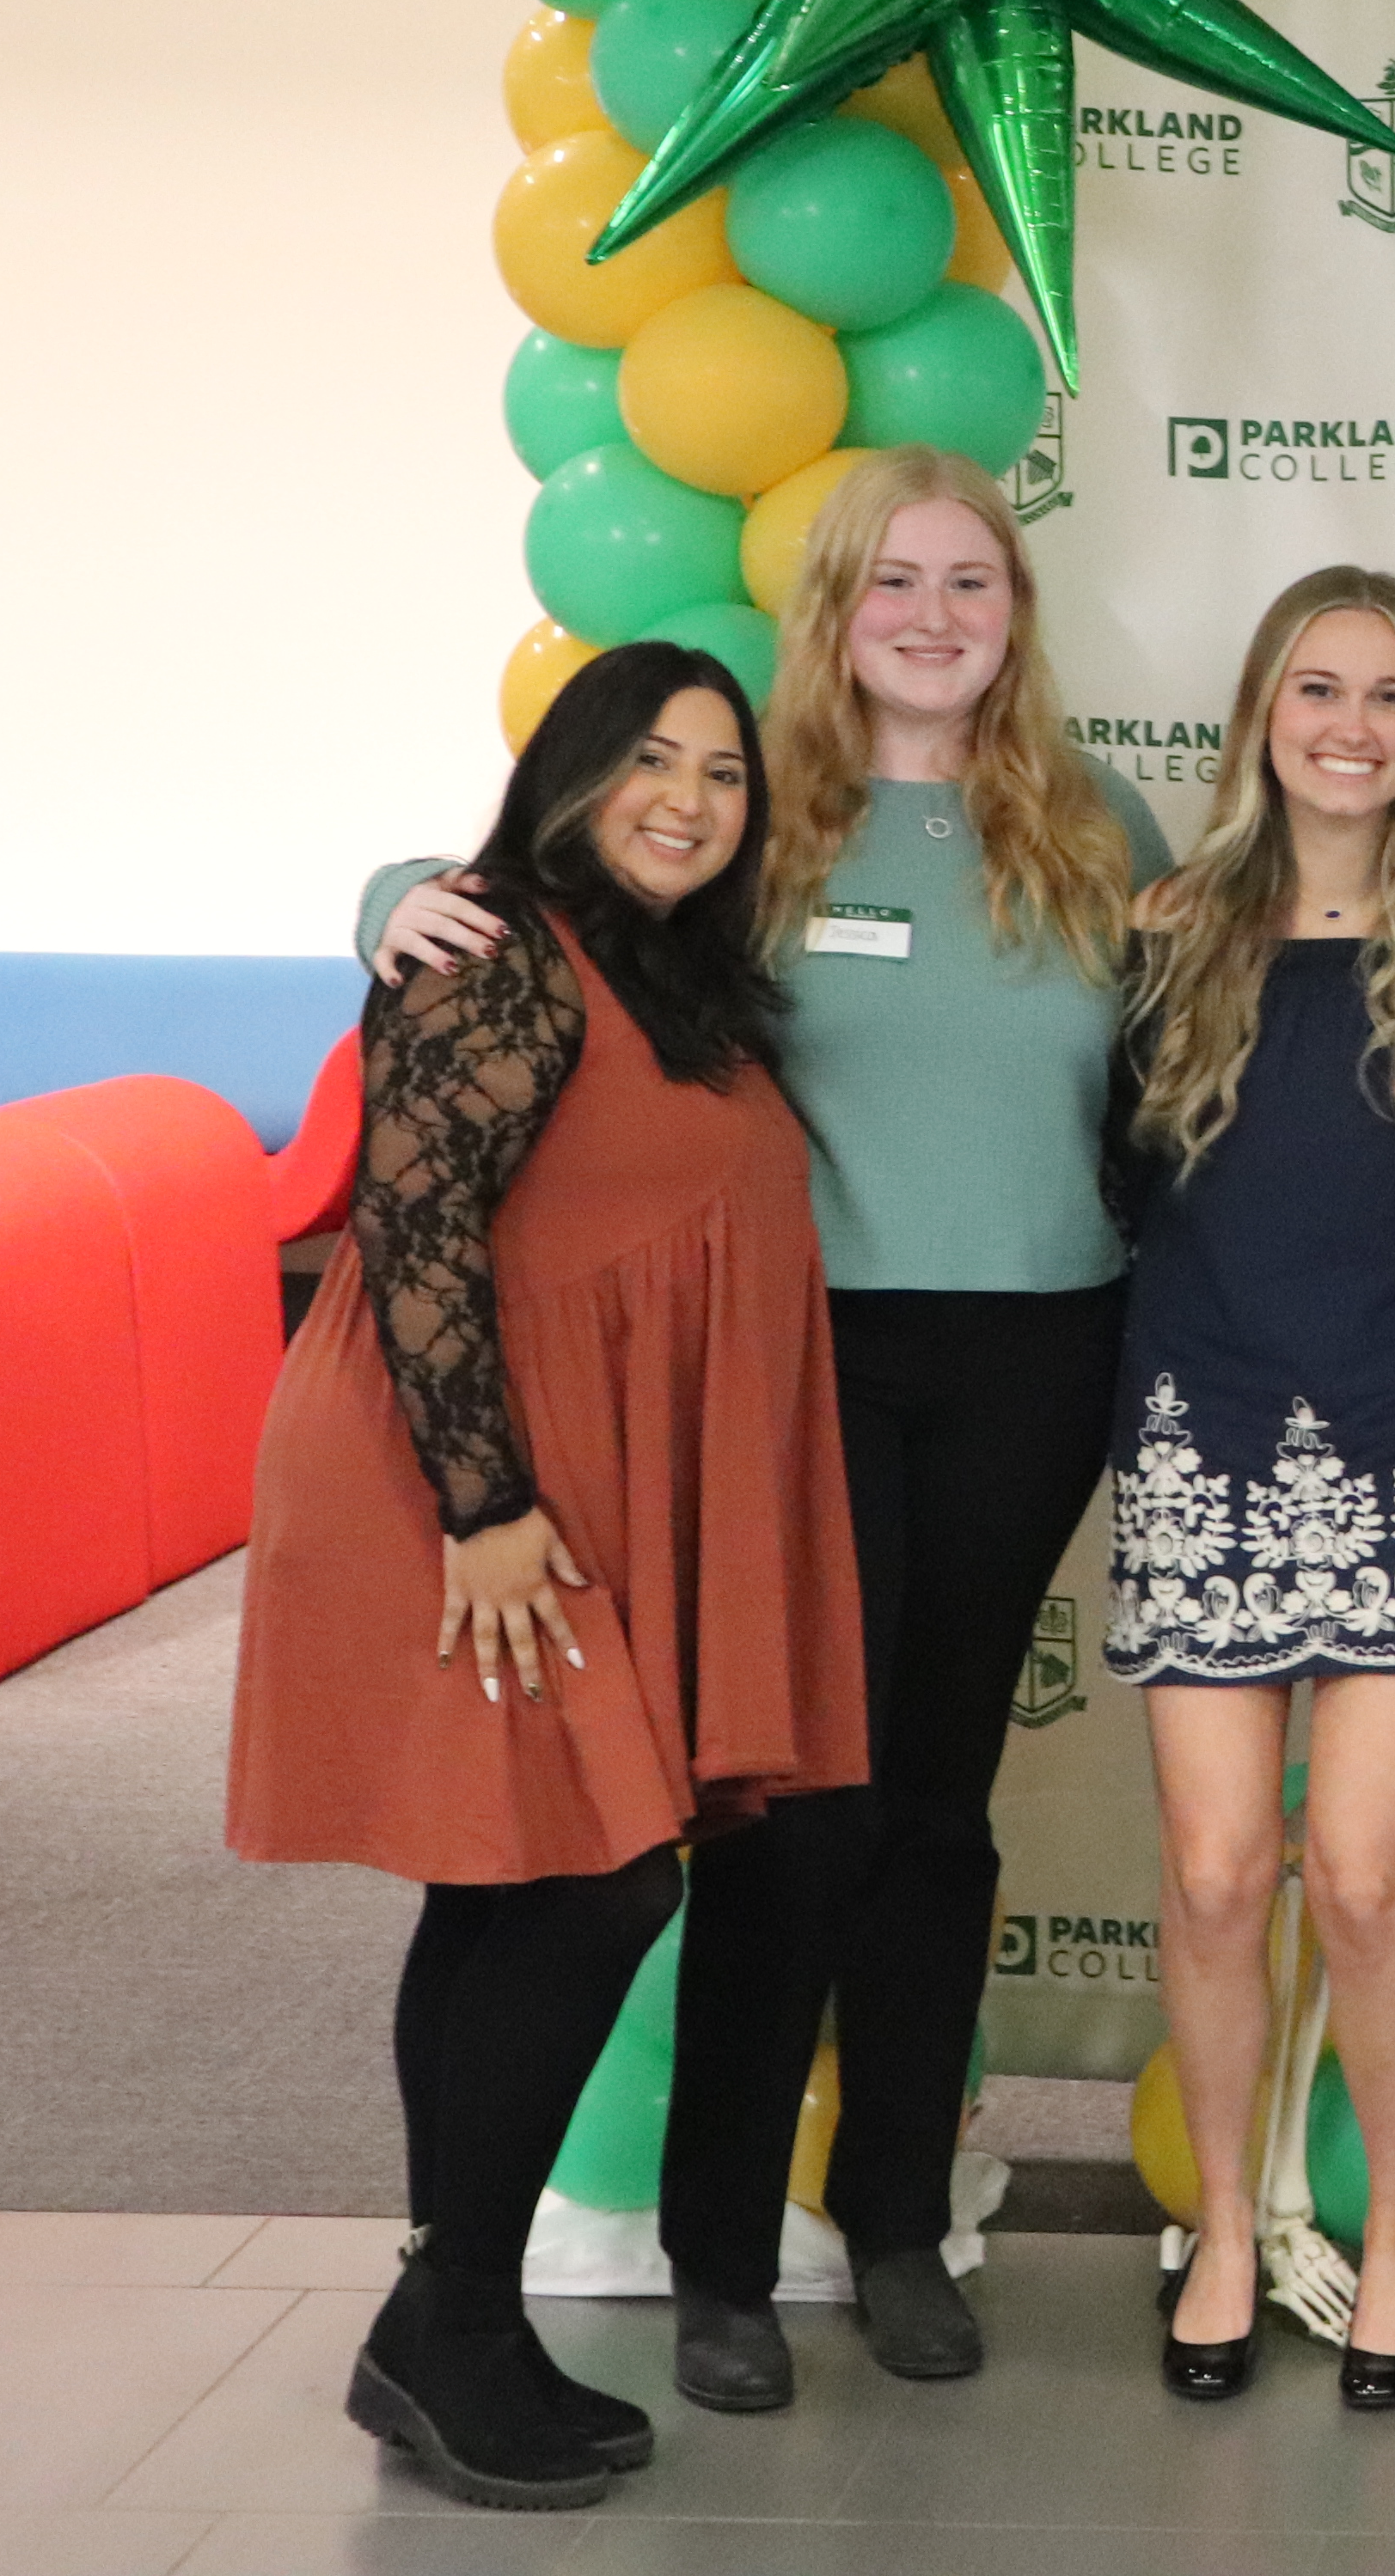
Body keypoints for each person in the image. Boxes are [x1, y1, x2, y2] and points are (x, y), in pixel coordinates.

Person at [370, 449, 1169, 2405]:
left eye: (971, 580)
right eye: (894, 578)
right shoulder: (753, 808)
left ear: (1017, 614)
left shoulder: (1097, 817)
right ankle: (722, 2248)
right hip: (798, 1359)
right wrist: (392, 899)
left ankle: (898, 2216)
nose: (932, 614)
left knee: (938, 1810)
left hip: (1037, 1352)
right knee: (798, 1814)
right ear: (834, 605)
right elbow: (549, 898)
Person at [230, 642, 866, 2513]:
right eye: (651, 759)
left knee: (504, 1884)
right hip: (463, 1477)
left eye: (725, 773)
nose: (691, 798)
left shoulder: (669, 973)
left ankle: (453, 2318)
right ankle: (455, 2319)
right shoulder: (496, 944)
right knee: (594, 1884)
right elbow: (413, 1217)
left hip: (565, 1470)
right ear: (572, 774)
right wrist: (487, 1505)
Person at [1112, 567, 1395, 2408]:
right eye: (1318, 687)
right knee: (1219, 1872)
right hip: (1206, 1437)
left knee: (1363, 1876)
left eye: (1389, 695)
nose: (1352, 727)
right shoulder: (1165, 925)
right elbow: (1117, 1185)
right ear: (1261, 713)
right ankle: (1225, 2227)